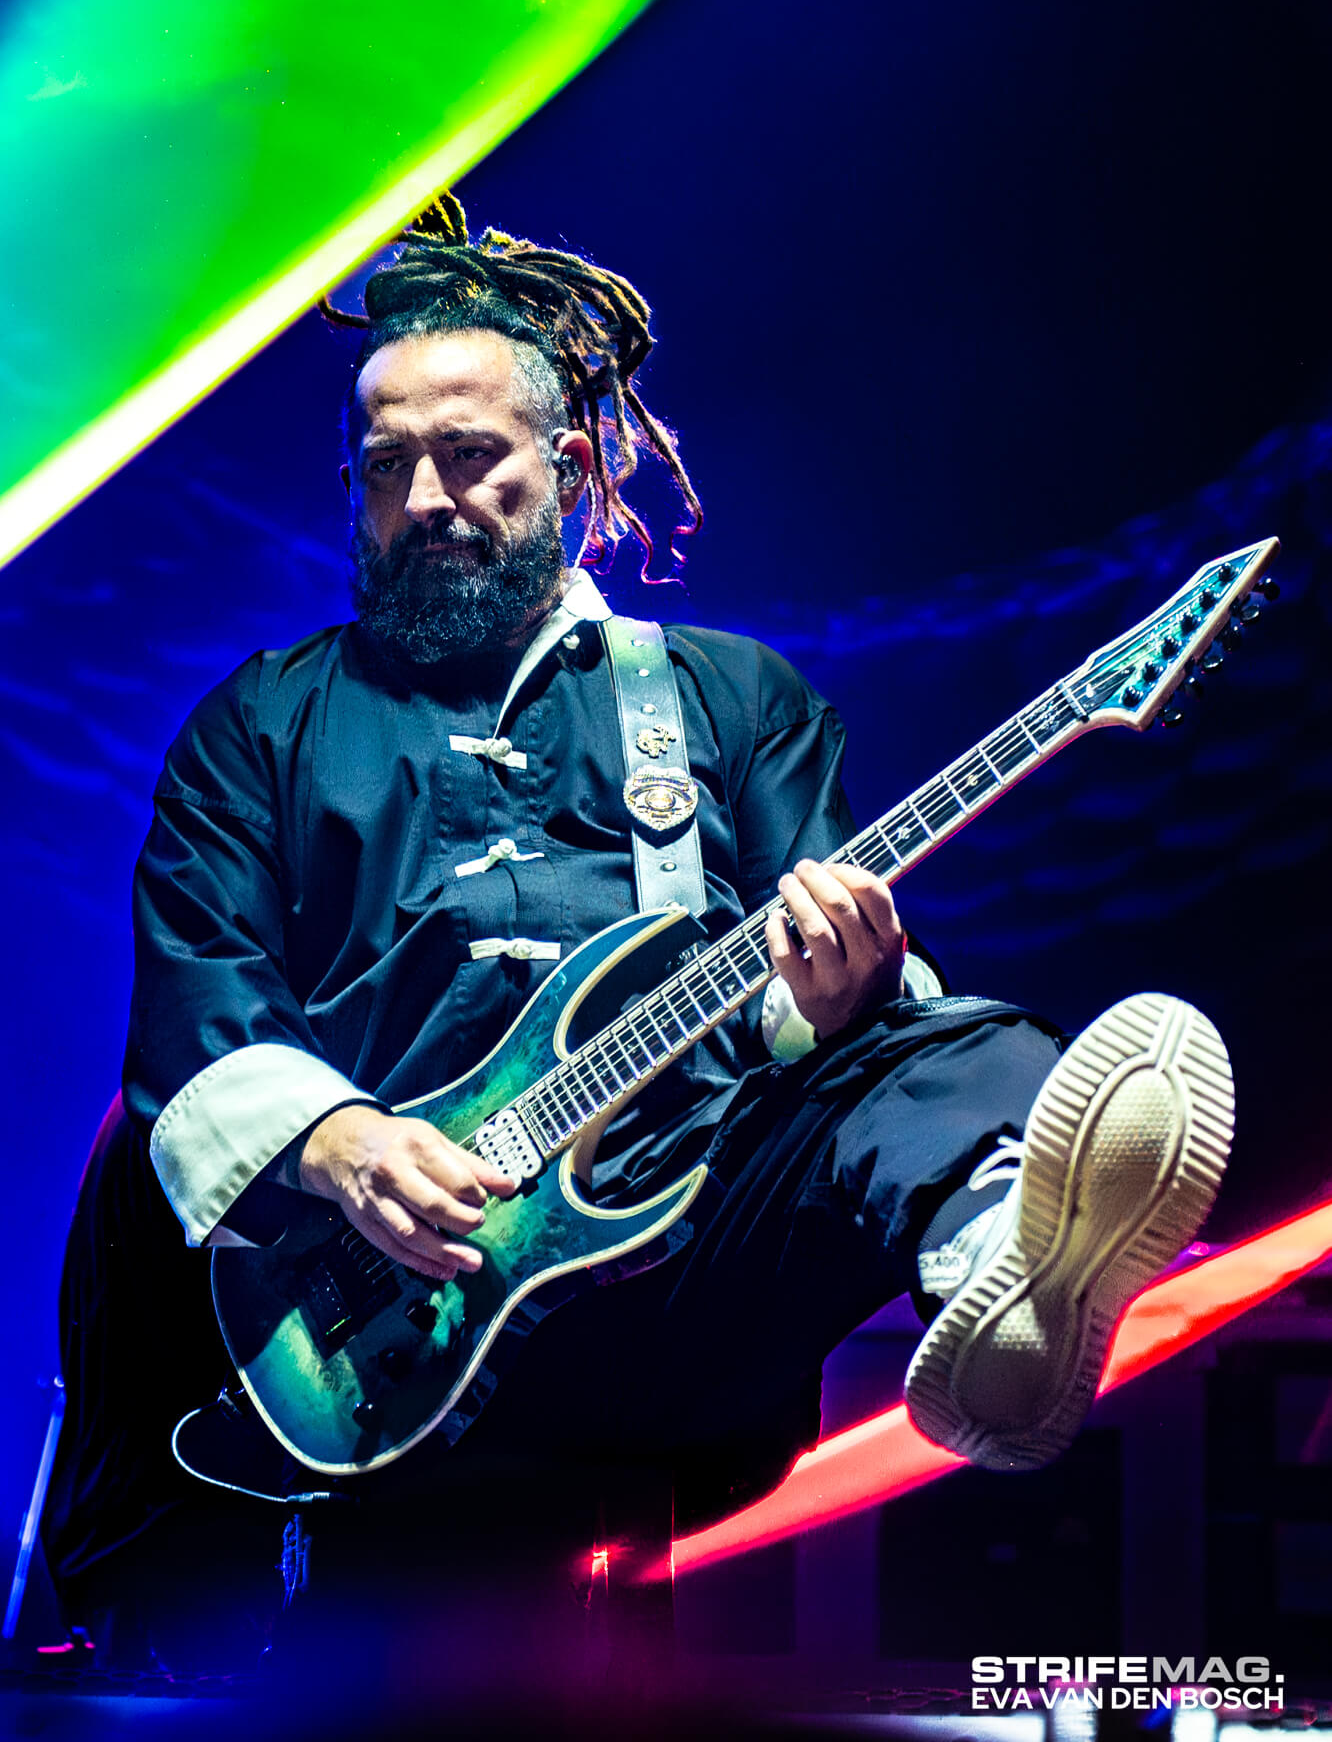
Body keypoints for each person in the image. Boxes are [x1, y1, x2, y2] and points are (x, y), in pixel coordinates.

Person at [44, 194, 1232, 1706]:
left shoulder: (730, 701)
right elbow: (195, 1009)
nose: (427, 496)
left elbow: (833, 1035)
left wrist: (839, 998)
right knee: (138, 1153)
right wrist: (340, 1145)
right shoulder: (259, 725)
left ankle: (1000, 1272)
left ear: (569, 466)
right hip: (380, 1312)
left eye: (471, 454)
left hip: (667, 1278)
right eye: (388, 465)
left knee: (949, 1034)